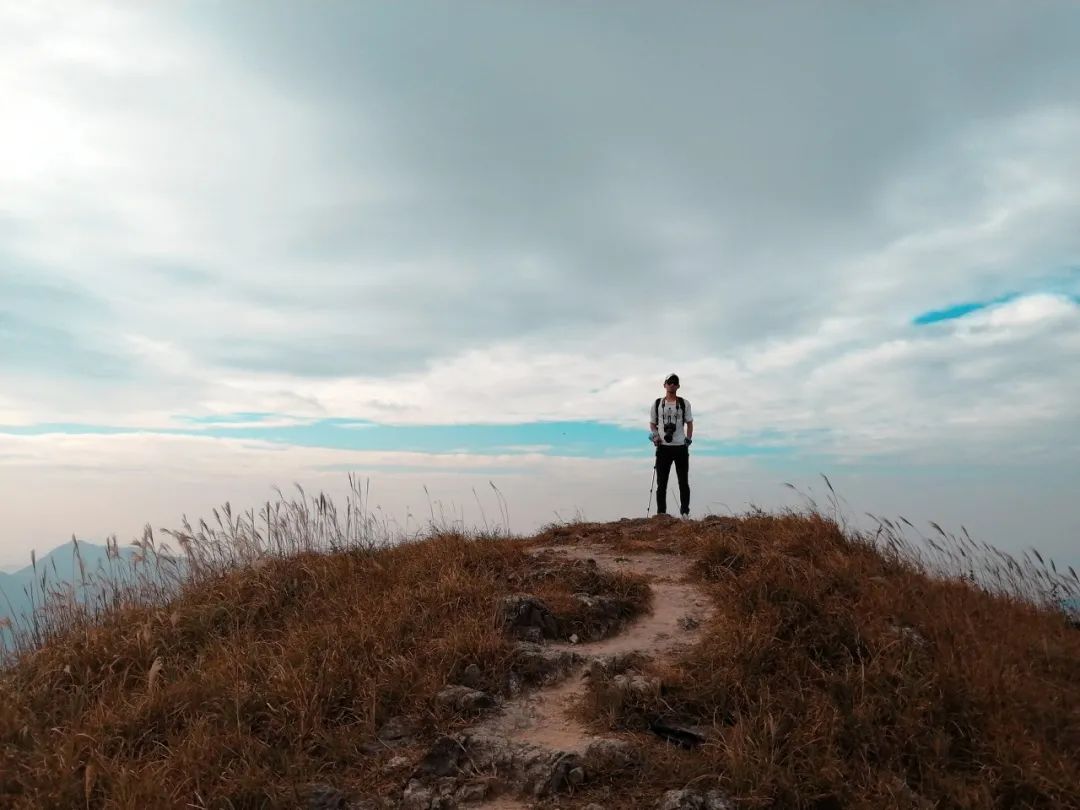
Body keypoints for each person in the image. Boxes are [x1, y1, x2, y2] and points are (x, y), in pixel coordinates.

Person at [649, 372, 693, 518]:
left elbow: (689, 423)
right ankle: (661, 513)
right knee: (661, 483)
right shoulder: (657, 404)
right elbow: (652, 423)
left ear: (678, 385)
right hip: (663, 448)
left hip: (680, 446)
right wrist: (655, 436)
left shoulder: (684, 403)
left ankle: (685, 512)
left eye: (675, 382)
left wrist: (688, 439)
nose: (672, 385)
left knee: (683, 482)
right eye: (670, 382)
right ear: (664, 385)